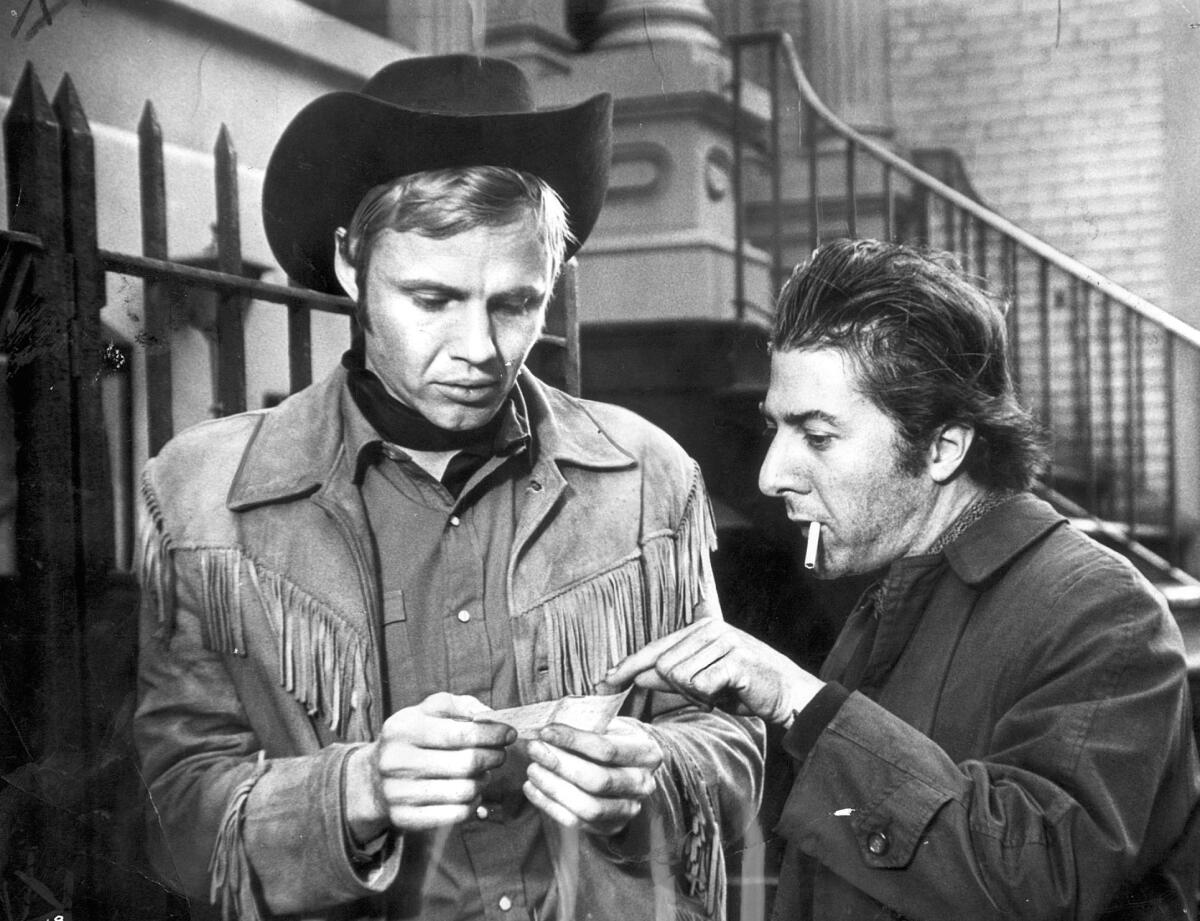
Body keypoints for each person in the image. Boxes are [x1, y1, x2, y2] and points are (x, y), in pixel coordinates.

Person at [133, 55, 763, 921]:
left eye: (516, 303)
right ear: (353, 266)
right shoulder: (200, 497)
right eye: (431, 298)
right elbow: (171, 820)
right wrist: (353, 788)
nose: (480, 347)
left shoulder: (649, 476)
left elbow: (732, 742)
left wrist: (651, 772)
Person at [603, 238, 1200, 920]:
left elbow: (1038, 882)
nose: (771, 475)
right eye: (776, 428)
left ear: (944, 447)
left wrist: (803, 701)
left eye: (818, 435)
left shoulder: (1104, 613)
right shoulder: (891, 599)